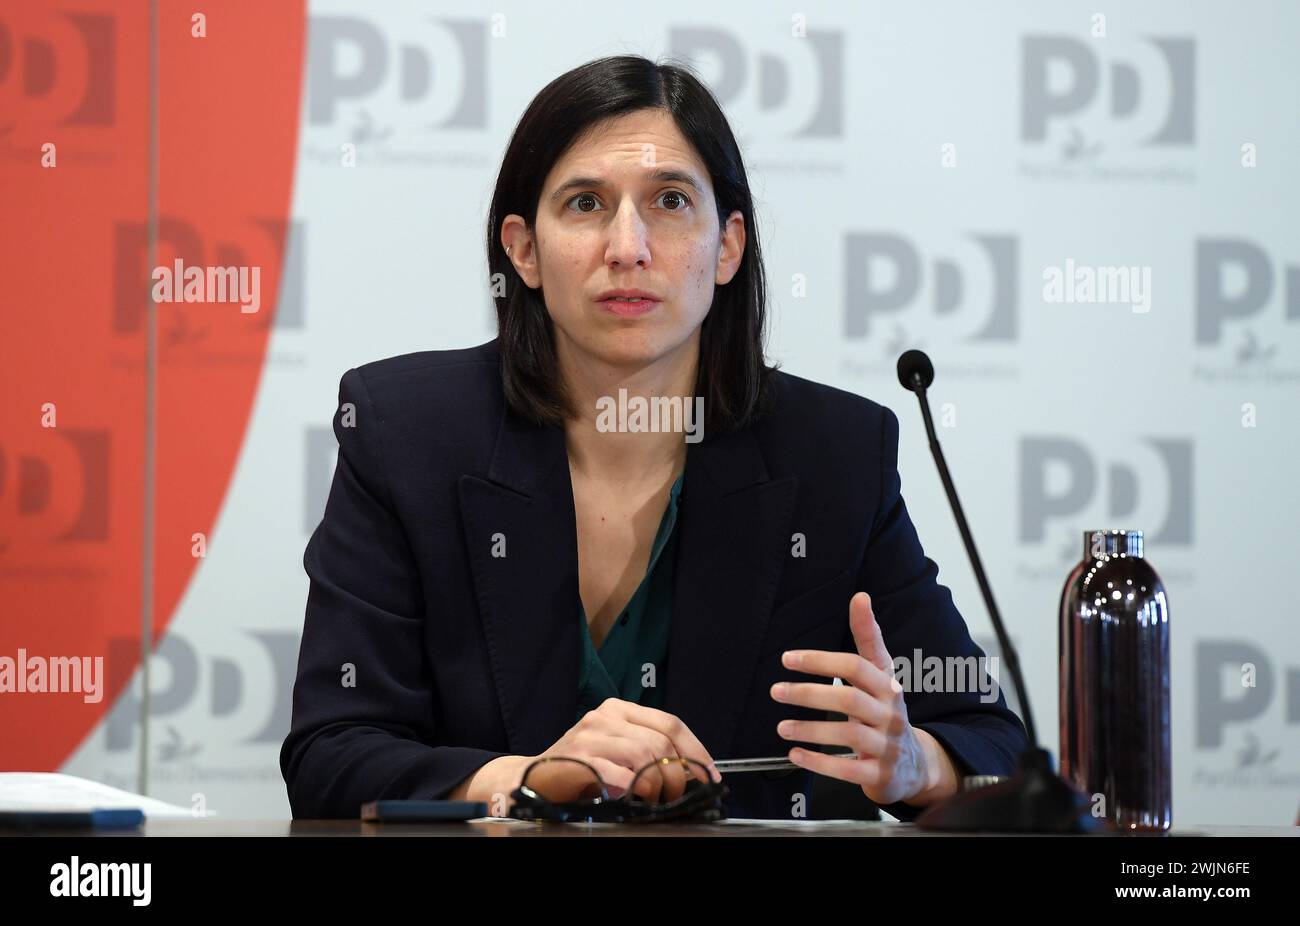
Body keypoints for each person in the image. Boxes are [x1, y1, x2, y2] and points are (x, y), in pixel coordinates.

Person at [279, 54, 1027, 822]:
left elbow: (992, 745)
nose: (628, 246)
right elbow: (331, 753)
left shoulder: (833, 454)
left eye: (670, 201)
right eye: (585, 203)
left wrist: (915, 762)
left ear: (728, 245)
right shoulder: (406, 435)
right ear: (523, 250)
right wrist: (527, 778)